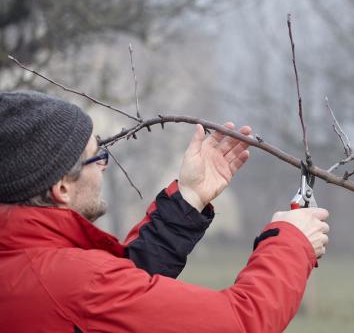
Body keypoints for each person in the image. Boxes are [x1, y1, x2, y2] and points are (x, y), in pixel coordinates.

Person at [0, 90, 330, 332]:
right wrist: (291, 244)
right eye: (95, 157)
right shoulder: (75, 284)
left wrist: (188, 200)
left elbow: (111, 303)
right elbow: (238, 324)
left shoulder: (25, 269)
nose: (103, 166)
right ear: (62, 187)